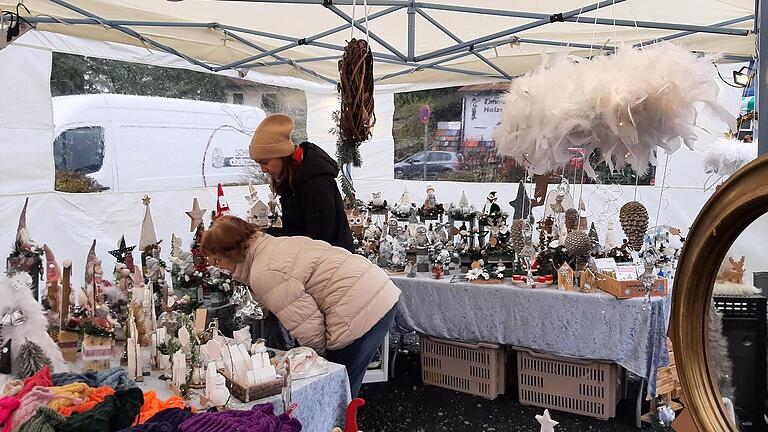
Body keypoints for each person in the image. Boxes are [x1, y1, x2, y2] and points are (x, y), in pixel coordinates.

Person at [201, 216, 400, 398]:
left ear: (232, 251)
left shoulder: (264, 271)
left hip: (356, 306)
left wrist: (318, 363)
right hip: (376, 289)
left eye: (218, 260)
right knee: (345, 384)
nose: (220, 267)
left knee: (336, 390)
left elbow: (309, 326)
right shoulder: (272, 246)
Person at [249, 113, 354, 251]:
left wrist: (267, 234)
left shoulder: (317, 185)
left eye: (265, 162)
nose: (263, 169)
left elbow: (316, 240)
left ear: (282, 155)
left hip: (334, 265)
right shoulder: (293, 183)